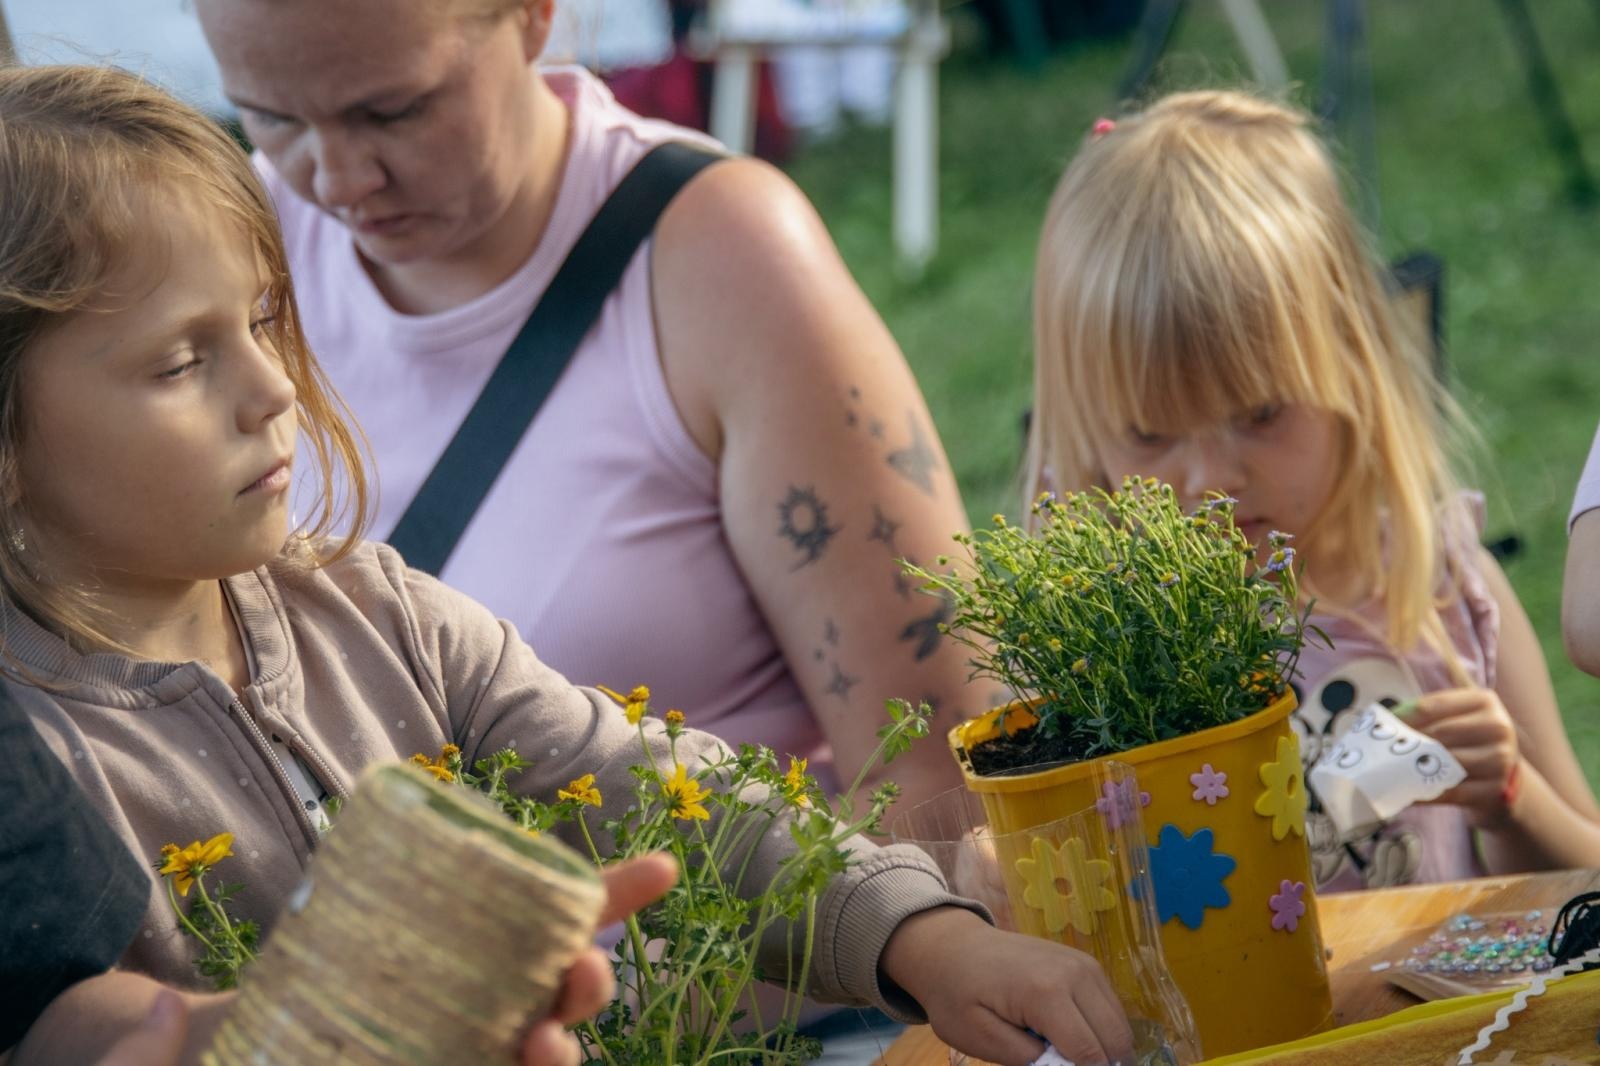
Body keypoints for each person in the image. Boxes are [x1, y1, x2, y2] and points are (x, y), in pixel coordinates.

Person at [0, 64, 1133, 1066]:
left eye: (261, 319)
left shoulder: (378, 616)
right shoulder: (31, 774)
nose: (274, 389)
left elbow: (674, 797)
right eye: (183, 361)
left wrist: (917, 936)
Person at [190, 0, 981, 819]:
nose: (339, 179)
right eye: (270, 116)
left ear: (536, 16)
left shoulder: (723, 260)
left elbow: (938, 771)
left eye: (394, 110)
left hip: (736, 936)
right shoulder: (235, 256)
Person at [1024, 90, 1600, 893]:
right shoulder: (1099, 659)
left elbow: (1585, 882)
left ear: (1352, 360)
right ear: (1082, 431)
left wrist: (1510, 800)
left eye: (1261, 412)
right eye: (1150, 435)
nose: (1213, 481)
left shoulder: (1438, 587)